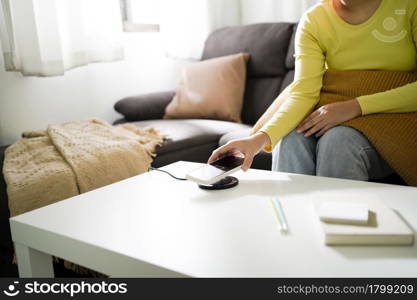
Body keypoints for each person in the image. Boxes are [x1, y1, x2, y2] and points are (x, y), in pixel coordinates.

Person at [208, 0, 417, 181]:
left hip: (397, 118)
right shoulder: (315, 20)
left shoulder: (409, 6)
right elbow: (304, 93)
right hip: (338, 113)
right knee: (291, 138)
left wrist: (356, 107)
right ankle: (290, 221)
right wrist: (257, 140)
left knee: (339, 141)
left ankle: (342, 224)